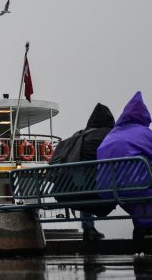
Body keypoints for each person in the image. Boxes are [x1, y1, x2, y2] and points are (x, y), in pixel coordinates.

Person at [96, 91, 152, 239]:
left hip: (109, 189)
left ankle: (143, 227)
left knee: (136, 189)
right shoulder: (143, 132)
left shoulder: (111, 135)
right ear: (143, 116)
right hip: (138, 186)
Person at [49, 103, 116, 241]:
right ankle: (146, 225)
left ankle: (88, 228)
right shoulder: (111, 135)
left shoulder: (78, 135)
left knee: (83, 183)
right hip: (102, 190)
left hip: (73, 189)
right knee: (132, 184)